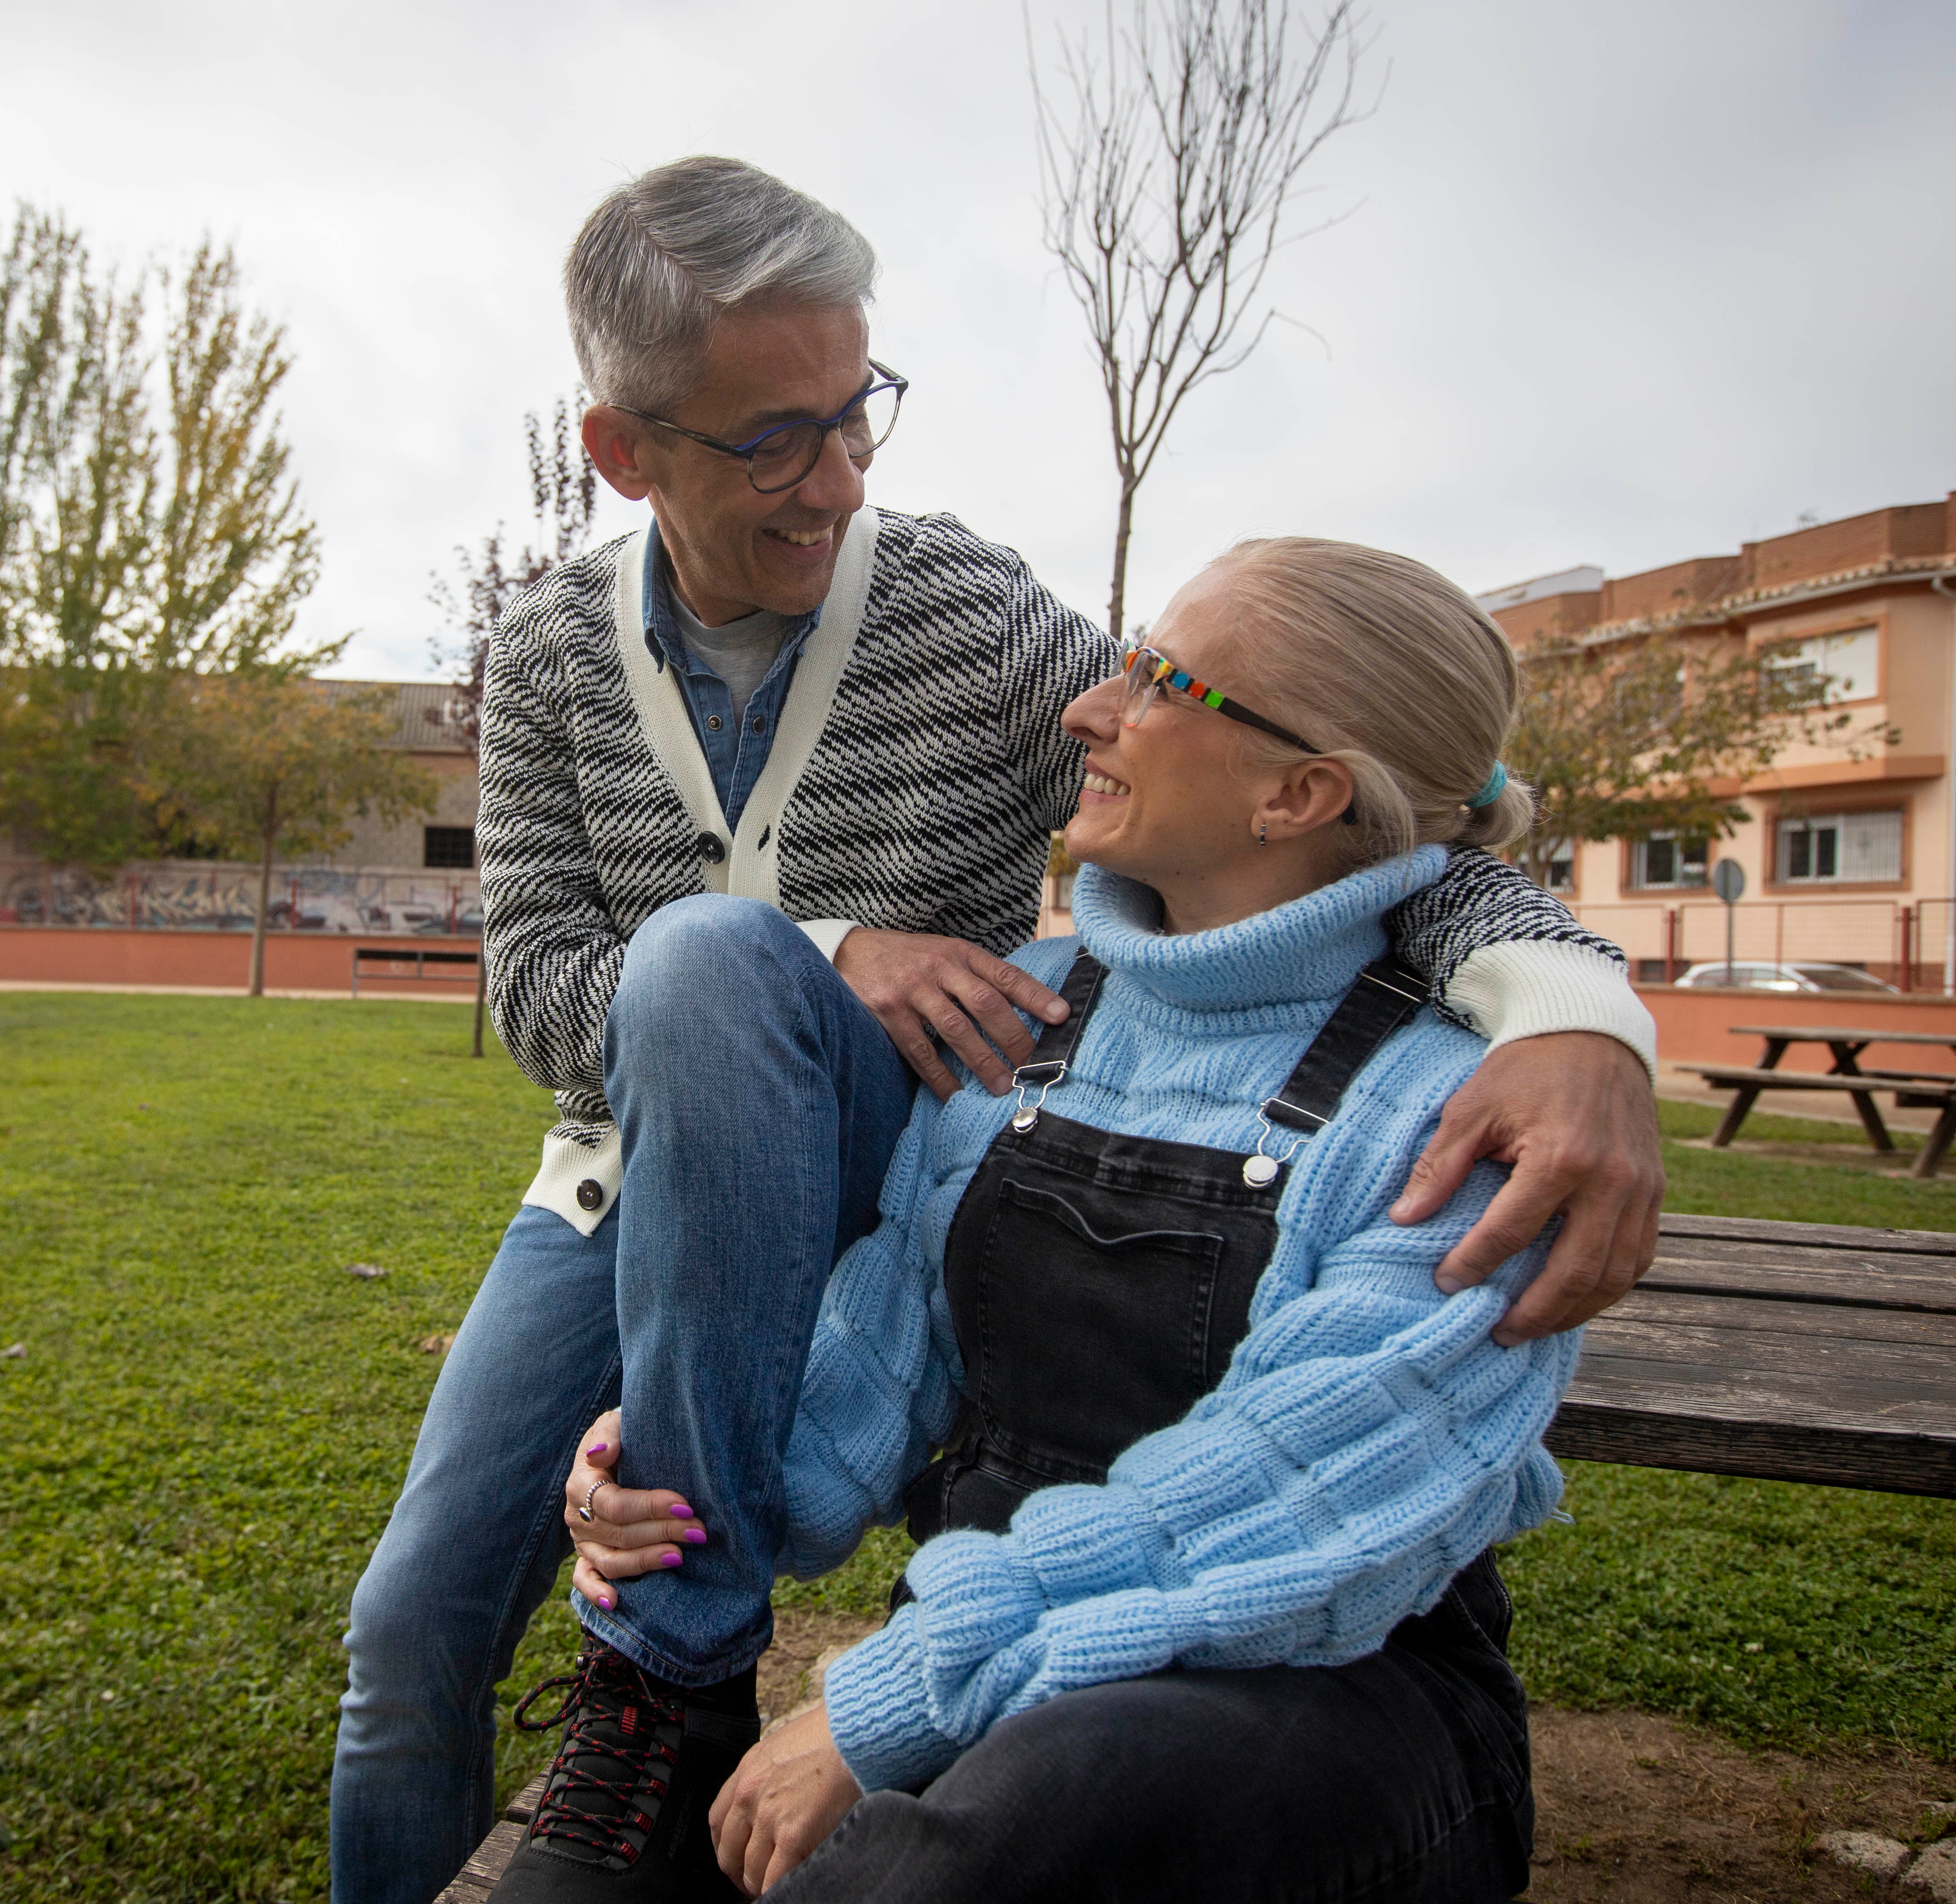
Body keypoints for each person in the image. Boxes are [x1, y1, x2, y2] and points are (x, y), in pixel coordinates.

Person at [329, 156, 1663, 1904]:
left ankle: (669, 1680)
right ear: (624, 449)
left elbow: (1333, 808)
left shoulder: (972, 617)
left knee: (722, 980)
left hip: (945, 1138)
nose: (840, 477)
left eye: (857, 412)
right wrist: (821, 949)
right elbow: (537, 990)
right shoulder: (555, 653)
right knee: (412, 1628)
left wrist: (1573, 1009)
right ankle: (667, 1671)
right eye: (773, 440)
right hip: (639, 1159)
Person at [557, 538, 1588, 1901]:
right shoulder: (1031, 1013)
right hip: (999, 1690)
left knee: (1038, 1803)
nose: (1088, 711)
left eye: (1161, 682)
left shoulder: (1461, 1114)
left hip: (1336, 1713)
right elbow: (879, 1366)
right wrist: (670, 1470)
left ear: (1300, 792)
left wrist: (889, 1704)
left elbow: (1264, 1521)